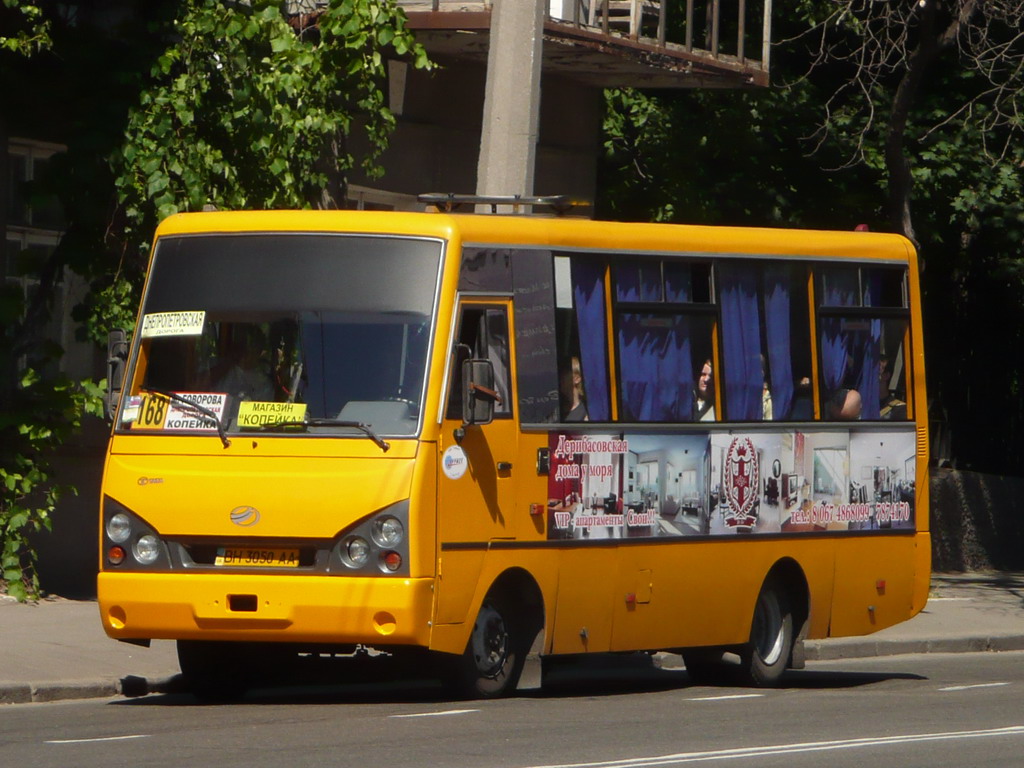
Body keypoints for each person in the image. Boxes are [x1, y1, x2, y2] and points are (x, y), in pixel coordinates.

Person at [562, 355, 589, 421]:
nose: (561, 377)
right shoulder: (556, 411)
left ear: (577, 379)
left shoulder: (586, 413)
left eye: (566, 373)